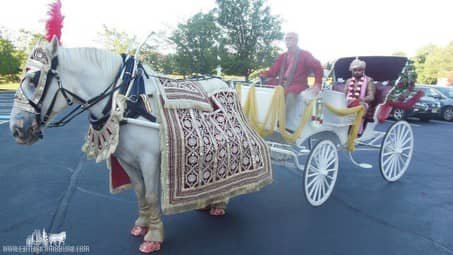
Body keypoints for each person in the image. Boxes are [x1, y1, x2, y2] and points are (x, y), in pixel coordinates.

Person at [260, 32, 323, 130]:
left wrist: (317, 84)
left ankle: (281, 124)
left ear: (296, 41)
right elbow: (273, 71)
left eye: (290, 38)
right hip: (282, 84)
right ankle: (265, 119)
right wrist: (264, 74)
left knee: (289, 94)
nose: (288, 41)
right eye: (286, 39)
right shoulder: (283, 56)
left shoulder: (304, 54)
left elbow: (318, 67)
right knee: (268, 89)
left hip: (298, 85)